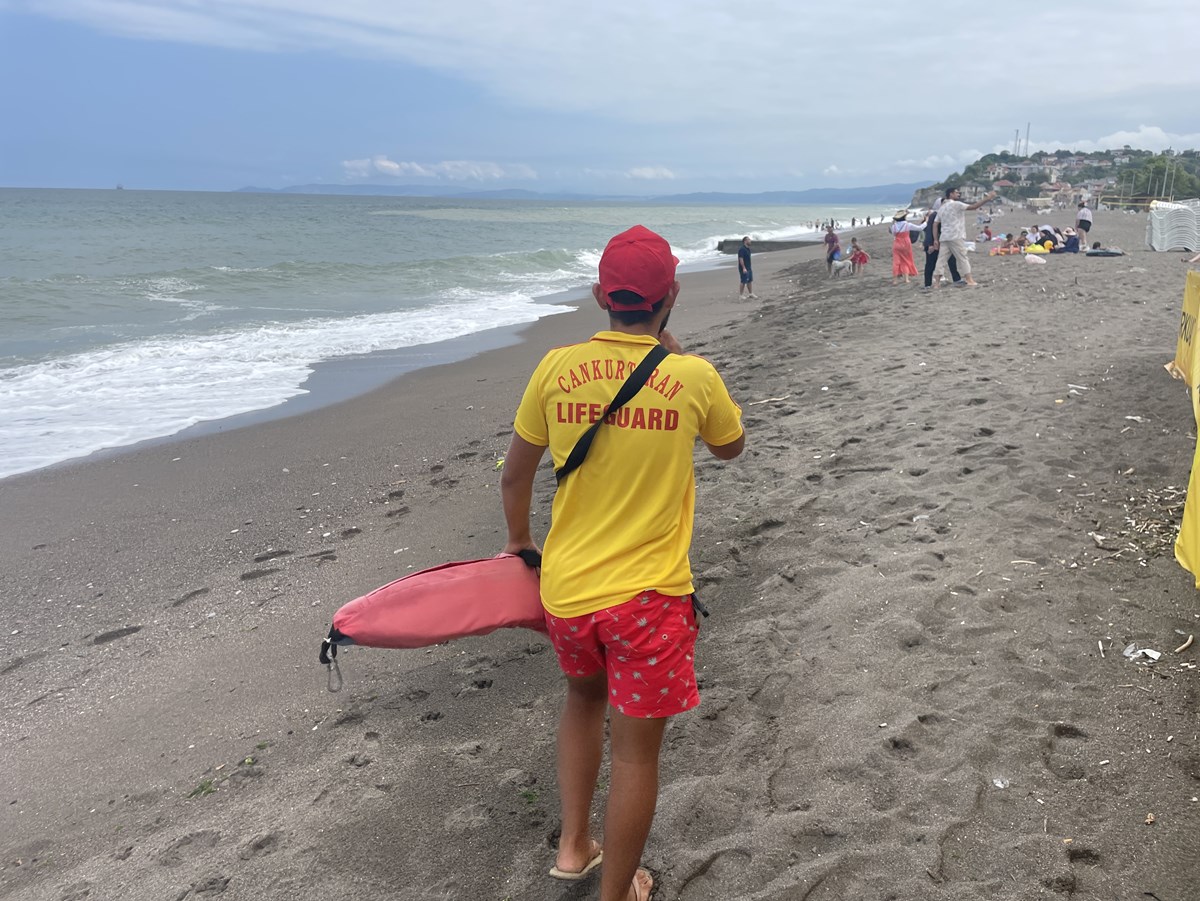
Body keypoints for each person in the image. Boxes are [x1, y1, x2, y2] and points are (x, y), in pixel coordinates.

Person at [500, 225, 746, 901]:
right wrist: (676, 358)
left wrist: (522, 544)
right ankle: (615, 895)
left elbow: (515, 475)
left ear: (597, 295)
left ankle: (574, 844)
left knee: (582, 700)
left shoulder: (554, 367)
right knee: (636, 751)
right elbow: (731, 445)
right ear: (671, 295)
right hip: (648, 599)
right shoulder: (691, 376)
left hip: (569, 591)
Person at [932, 185, 999, 288]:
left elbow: (935, 224)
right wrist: (987, 198)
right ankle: (969, 279)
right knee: (963, 258)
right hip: (956, 235)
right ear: (951, 194)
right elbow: (974, 207)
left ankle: (936, 283)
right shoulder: (956, 204)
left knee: (941, 260)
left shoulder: (942, 208)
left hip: (945, 236)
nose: (959, 194)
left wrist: (936, 239)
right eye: (956, 192)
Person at [921, 199, 962, 290]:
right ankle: (927, 284)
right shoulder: (934, 215)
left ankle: (957, 279)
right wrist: (930, 244)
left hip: (945, 242)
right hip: (933, 243)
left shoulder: (944, 215)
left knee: (951, 261)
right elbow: (929, 231)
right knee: (930, 264)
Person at [889, 210, 924, 285]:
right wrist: (926, 221)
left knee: (896, 262)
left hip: (897, 244)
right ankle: (906, 279)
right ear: (904, 217)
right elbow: (920, 228)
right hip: (906, 244)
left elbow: (893, 234)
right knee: (905, 261)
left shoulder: (893, 226)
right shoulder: (907, 225)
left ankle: (895, 280)